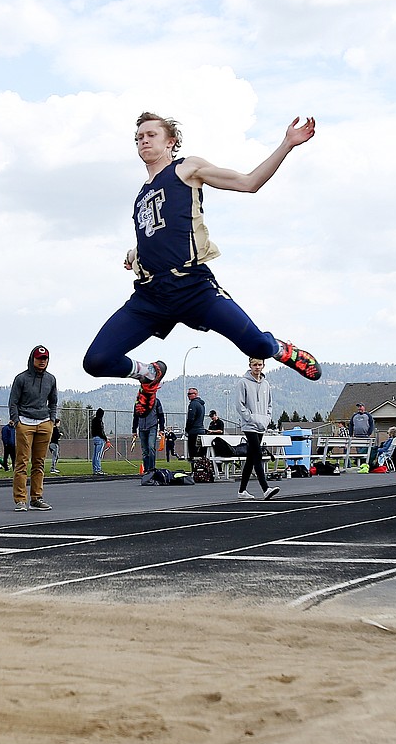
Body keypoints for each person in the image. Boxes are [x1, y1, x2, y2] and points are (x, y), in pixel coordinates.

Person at [82, 112, 323, 419]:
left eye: (151, 135)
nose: (143, 140)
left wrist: (286, 144)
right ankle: (148, 374)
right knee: (97, 361)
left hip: (193, 287)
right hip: (151, 296)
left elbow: (249, 183)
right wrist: (134, 254)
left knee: (257, 348)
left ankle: (281, 349)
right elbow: (160, 235)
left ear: (171, 142)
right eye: (138, 137)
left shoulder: (187, 169)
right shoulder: (141, 196)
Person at [8, 345, 58, 512]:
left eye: (45, 359)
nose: (42, 361)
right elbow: (13, 402)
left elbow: (53, 401)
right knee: (21, 462)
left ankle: (36, 498)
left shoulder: (51, 379)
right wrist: (17, 422)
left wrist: (51, 420)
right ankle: (20, 499)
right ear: (32, 359)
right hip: (24, 423)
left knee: (39, 462)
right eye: (39, 358)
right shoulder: (21, 379)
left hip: (44, 423)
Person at [235, 358, 280, 501]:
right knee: (258, 454)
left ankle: (242, 490)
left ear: (263, 366)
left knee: (251, 457)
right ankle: (265, 488)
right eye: (254, 364)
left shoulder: (266, 384)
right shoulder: (243, 383)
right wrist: (249, 418)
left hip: (262, 424)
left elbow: (270, 404)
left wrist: (266, 419)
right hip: (249, 425)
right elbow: (239, 404)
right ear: (250, 365)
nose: (257, 367)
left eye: (259, 364)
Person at [132, 389, 165, 474]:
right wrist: (134, 430)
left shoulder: (156, 402)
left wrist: (161, 429)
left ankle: (152, 468)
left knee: (151, 447)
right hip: (142, 428)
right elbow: (135, 417)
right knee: (144, 451)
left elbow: (161, 415)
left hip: (152, 427)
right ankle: (146, 469)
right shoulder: (137, 404)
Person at [185, 387, 206, 460]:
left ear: (196, 394)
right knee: (200, 453)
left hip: (194, 431)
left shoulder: (193, 404)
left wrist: (187, 429)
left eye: (190, 394)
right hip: (201, 430)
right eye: (188, 394)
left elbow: (191, 418)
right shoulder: (202, 405)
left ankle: (194, 469)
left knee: (193, 453)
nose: (188, 396)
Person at [90, 408, 108, 476]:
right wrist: (105, 439)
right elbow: (101, 431)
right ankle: (98, 469)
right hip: (100, 439)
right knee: (98, 455)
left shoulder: (93, 420)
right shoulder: (99, 421)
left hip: (94, 438)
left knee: (95, 455)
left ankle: (95, 469)